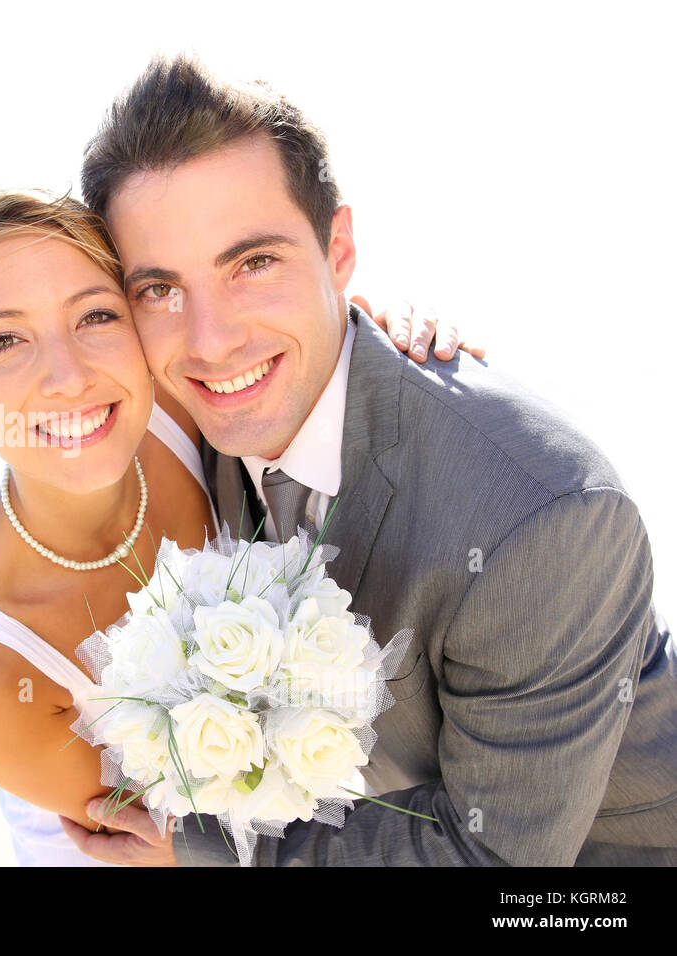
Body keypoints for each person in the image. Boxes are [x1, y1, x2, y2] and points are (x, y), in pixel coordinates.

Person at [62, 55, 677, 866]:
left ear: (339, 249)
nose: (210, 340)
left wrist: (201, 851)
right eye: (159, 289)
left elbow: (486, 861)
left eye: (254, 263)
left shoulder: (546, 519)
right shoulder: (177, 421)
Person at [0, 190, 477, 866]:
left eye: (96, 315)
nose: (66, 377)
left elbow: (295, 354)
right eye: (3, 340)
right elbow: (183, 840)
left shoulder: (180, 410)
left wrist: (373, 340)